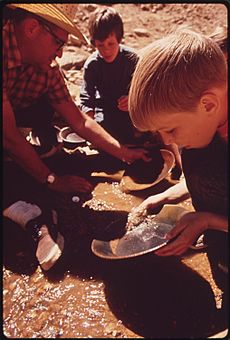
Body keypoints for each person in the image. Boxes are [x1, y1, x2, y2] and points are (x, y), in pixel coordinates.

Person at [3, 3, 151, 271]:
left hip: (15, 117)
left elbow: (79, 120)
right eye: (58, 42)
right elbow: (9, 136)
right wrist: (53, 180)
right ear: (32, 28)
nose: (60, 52)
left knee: (40, 150)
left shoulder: (45, 66)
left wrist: (123, 152)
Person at [128, 27, 228, 298]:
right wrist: (163, 196)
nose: (167, 139)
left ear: (208, 105)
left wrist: (207, 220)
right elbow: (203, 180)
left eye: (171, 130)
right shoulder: (201, 129)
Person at [79, 6, 182, 176]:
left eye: (111, 44)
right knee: (103, 136)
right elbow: (85, 98)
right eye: (100, 46)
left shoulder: (133, 59)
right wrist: (87, 115)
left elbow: (150, 89)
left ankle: (178, 162)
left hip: (134, 112)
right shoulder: (93, 65)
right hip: (108, 112)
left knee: (155, 125)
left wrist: (133, 99)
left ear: (119, 39)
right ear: (93, 43)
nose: (106, 50)